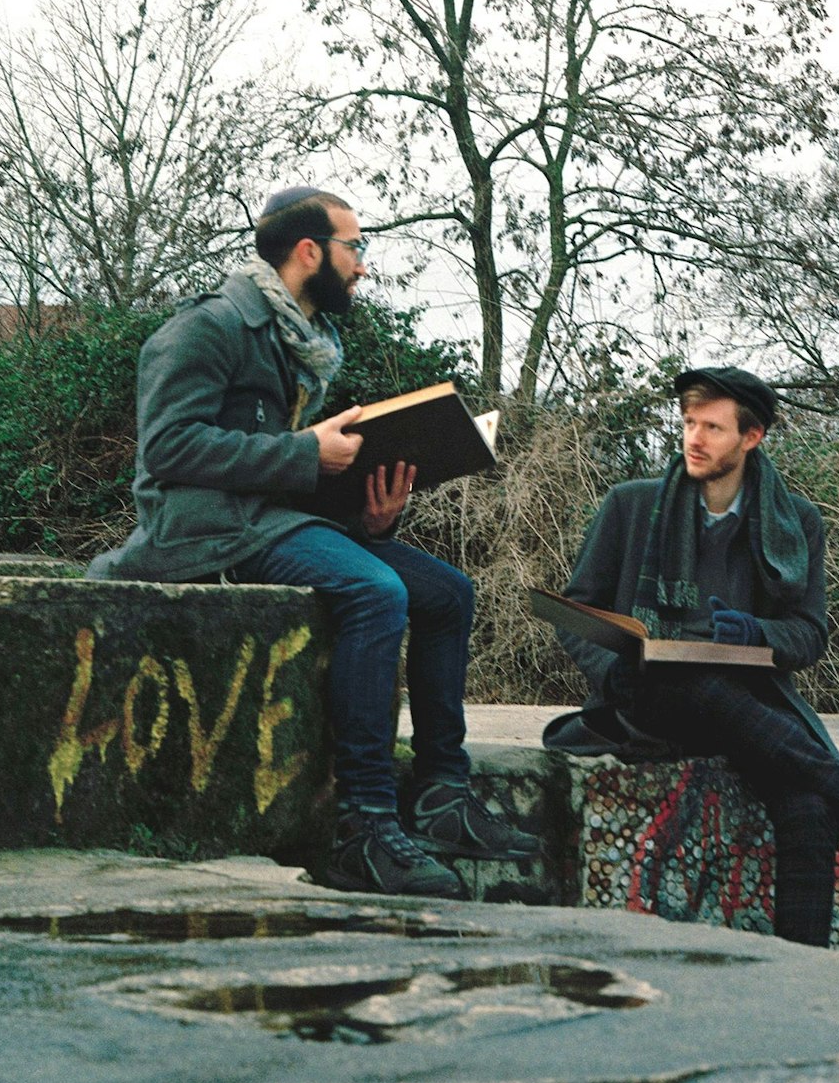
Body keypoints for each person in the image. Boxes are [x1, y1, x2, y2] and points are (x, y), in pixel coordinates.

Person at [89, 185, 536, 896]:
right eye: (354, 248)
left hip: (275, 519)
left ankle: (443, 795)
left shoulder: (302, 341)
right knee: (374, 589)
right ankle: (363, 824)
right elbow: (168, 448)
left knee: (448, 592)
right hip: (206, 534)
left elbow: (290, 470)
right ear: (309, 252)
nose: (362, 266)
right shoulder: (209, 327)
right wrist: (304, 454)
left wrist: (371, 514)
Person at [544, 366, 839, 947]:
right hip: (648, 701)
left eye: (713, 428)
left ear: (752, 437)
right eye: (689, 423)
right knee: (681, 683)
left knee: (809, 812)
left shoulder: (795, 523)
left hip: (751, 710)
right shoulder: (630, 506)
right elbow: (576, 613)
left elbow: (808, 636)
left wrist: (753, 633)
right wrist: (613, 671)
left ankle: (798, 987)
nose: (693, 439)